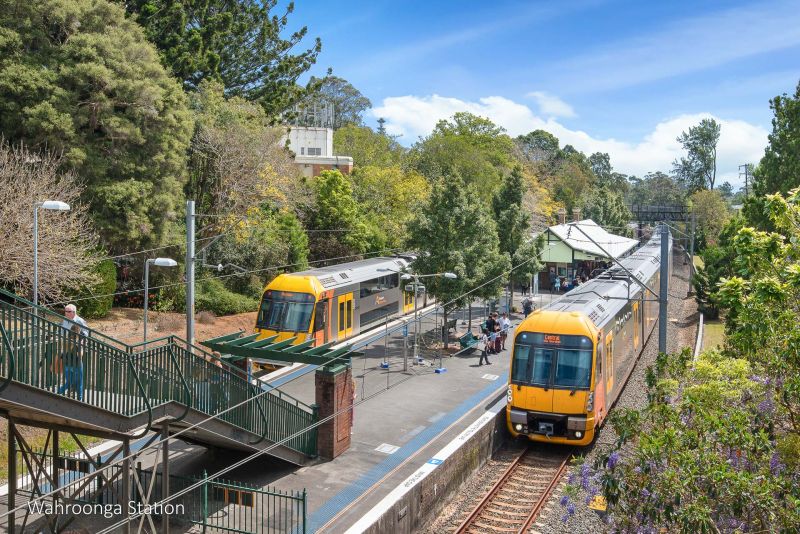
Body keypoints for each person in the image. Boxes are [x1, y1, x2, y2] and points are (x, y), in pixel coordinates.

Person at [58, 324, 84, 400]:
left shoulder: (65, 341)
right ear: (78, 332)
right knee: (79, 383)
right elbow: (80, 355)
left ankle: (58, 393)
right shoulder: (77, 343)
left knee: (69, 383)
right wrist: (81, 348)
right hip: (77, 365)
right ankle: (80, 399)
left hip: (67, 365)